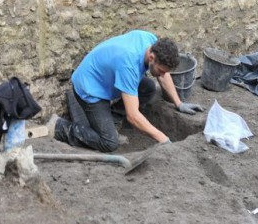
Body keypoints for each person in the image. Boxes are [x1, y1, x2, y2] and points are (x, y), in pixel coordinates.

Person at [48, 30, 204, 152]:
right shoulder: (128, 65)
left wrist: (179, 103)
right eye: (161, 70)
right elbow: (133, 115)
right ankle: (60, 127)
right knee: (109, 142)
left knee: (148, 88)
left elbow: (164, 76)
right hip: (89, 89)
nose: (163, 75)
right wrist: (163, 138)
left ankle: (113, 118)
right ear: (151, 57)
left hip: (106, 77)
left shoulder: (150, 41)